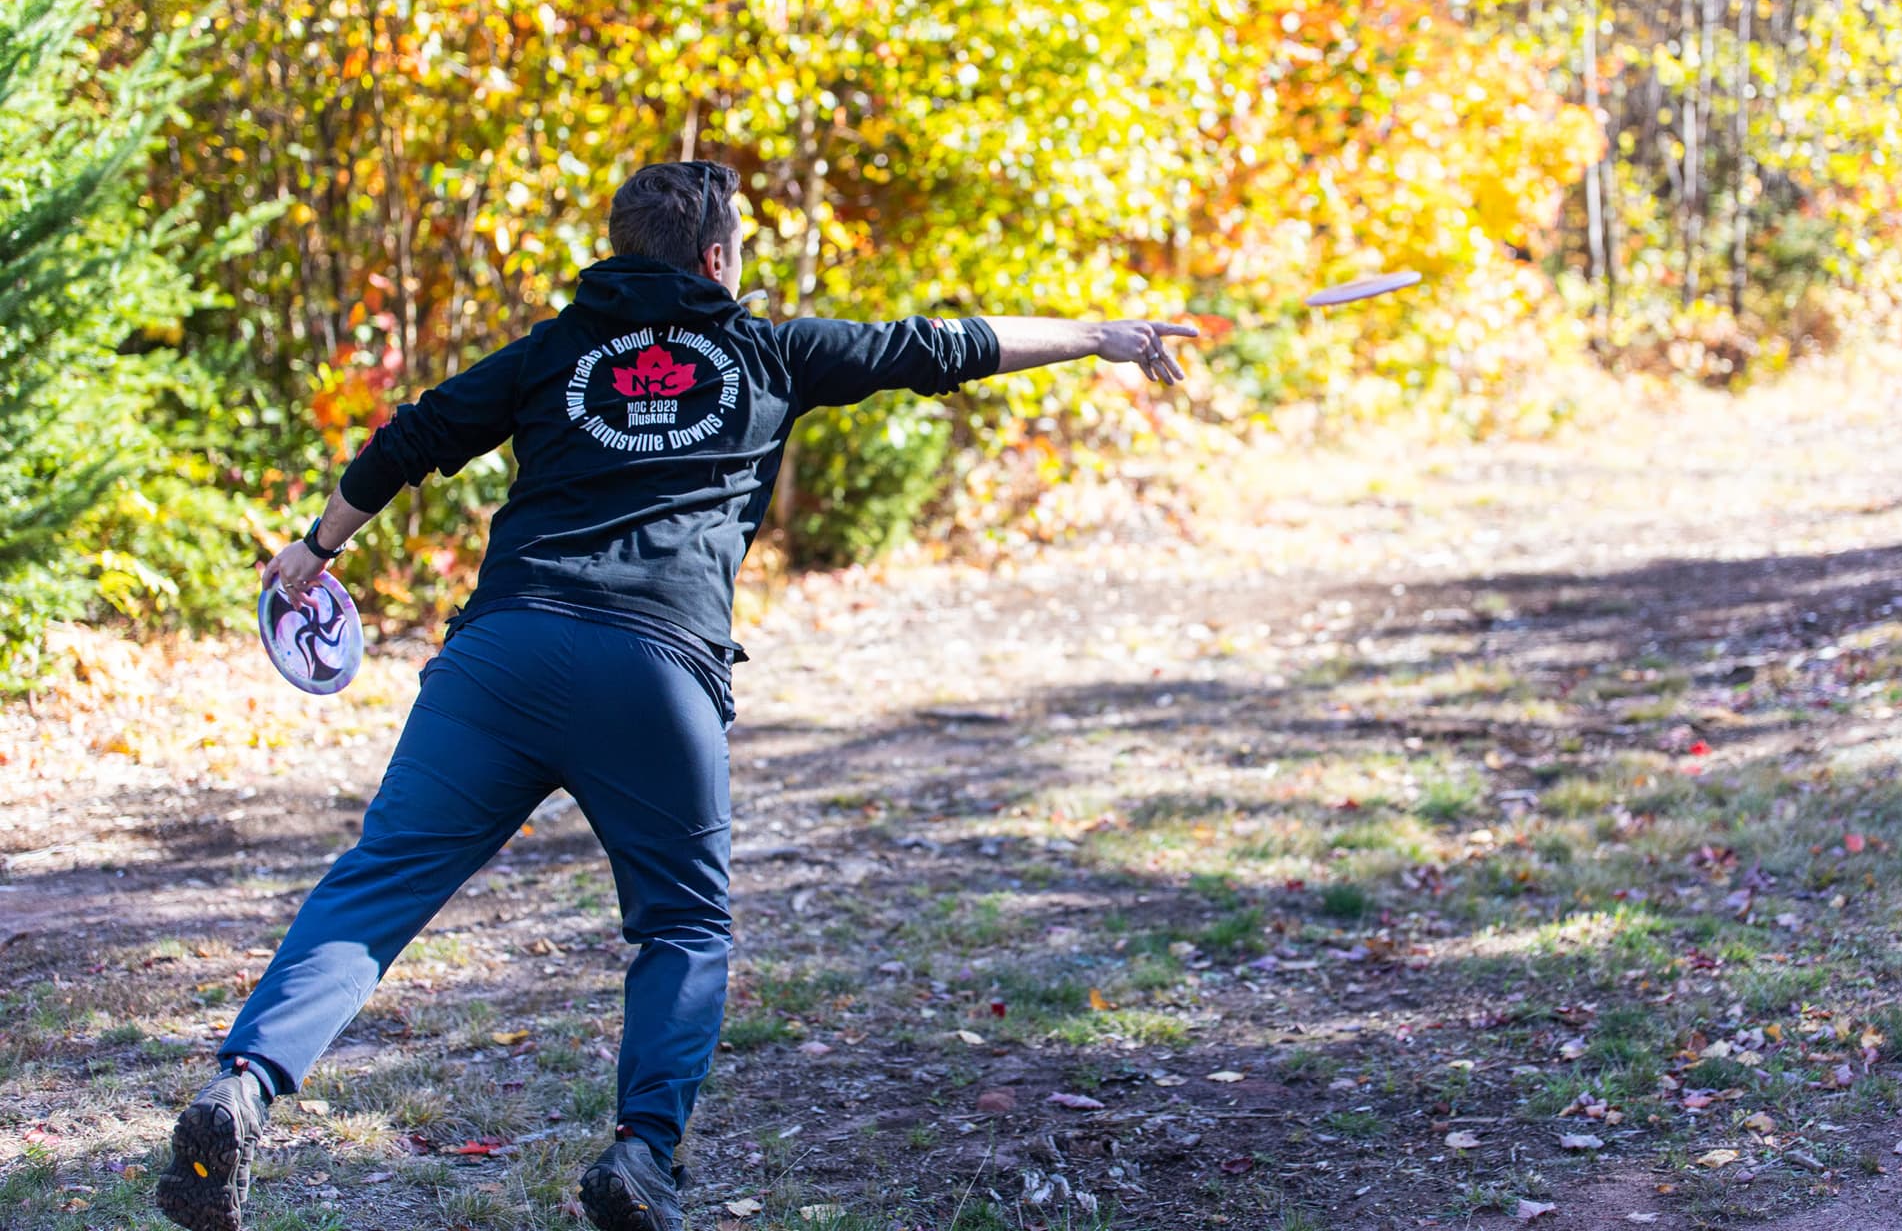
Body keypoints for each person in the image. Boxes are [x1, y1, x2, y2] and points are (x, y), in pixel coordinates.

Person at [154, 159, 1194, 1231]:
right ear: (714, 259)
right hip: (653, 673)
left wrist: (314, 547)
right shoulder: (771, 348)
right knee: (685, 923)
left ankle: (243, 1082)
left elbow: (414, 435)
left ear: (622, 248)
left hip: (501, 654)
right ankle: (641, 1155)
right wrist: (1097, 333)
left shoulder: (556, 350)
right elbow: (941, 344)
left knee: (377, 886)